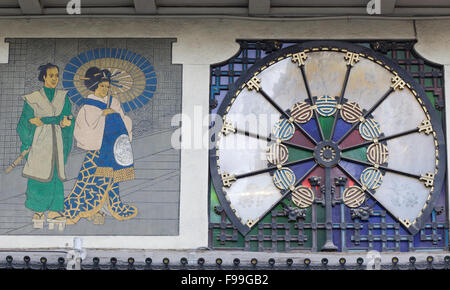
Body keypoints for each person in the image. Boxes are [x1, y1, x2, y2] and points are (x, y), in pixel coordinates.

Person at [63, 66, 137, 226]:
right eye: (102, 86)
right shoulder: (88, 106)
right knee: (89, 179)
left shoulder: (114, 102)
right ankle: (90, 209)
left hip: (112, 149)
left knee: (110, 181)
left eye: (107, 86)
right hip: (97, 150)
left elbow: (125, 120)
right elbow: (84, 129)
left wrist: (113, 115)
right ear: (94, 85)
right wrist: (102, 117)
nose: (105, 89)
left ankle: (106, 209)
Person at [17, 63, 74, 229]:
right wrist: (27, 142)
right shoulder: (33, 98)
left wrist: (66, 121)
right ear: (44, 77)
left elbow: (68, 117)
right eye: (51, 76)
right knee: (38, 175)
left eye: (57, 75)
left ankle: (55, 210)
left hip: (57, 141)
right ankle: (38, 210)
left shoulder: (63, 97)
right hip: (39, 141)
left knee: (55, 174)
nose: (55, 79)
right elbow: (24, 122)